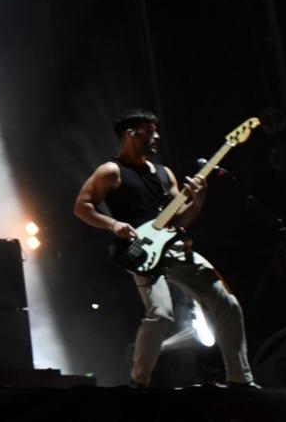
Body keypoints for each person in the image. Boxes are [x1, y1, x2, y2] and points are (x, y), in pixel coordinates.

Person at [73, 109, 255, 387]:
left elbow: (182, 218)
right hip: (141, 251)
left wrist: (198, 198)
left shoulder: (163, 173)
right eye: (150, 131)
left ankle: (241, 380)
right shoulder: (111, 171)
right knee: (160, 315)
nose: (157, 136)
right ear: (131, 134)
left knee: (227, 304)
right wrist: (112, 224)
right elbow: (81, 207)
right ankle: (139, 382)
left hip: (176, 247)